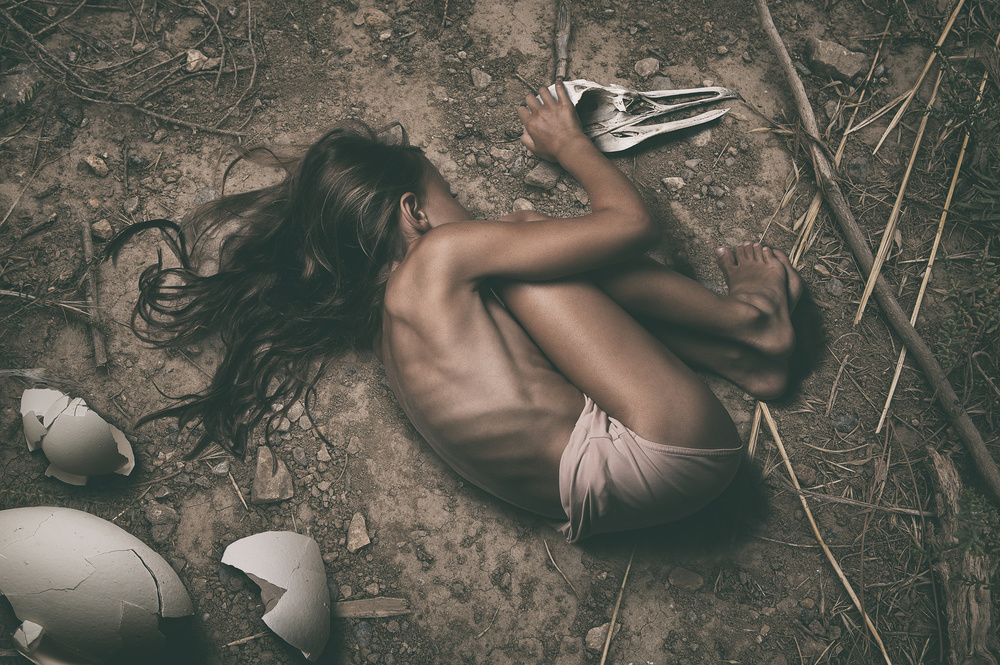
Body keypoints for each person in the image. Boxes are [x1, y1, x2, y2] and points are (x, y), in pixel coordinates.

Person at [110, 81, 802, 542]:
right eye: (450, 197)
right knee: (528, 235)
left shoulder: (388, 327)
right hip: (673, 447)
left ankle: (737, 358)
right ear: (414, 212)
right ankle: (751, 322)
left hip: (595, 502)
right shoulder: (440, 257)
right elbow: (631, 224)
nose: (465, 212)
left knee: (525, 259)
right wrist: (570, 146)